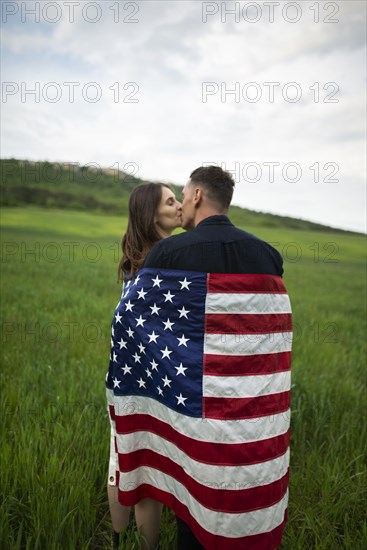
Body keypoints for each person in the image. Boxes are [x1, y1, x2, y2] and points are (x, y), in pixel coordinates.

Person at [107, 166, 292, 549]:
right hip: (249, 412)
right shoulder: (268, 256)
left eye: (181, 195)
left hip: (186, 401)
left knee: (183, 483)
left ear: (196, 197)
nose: (178, 205)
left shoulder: (168, 254)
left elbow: (127, 320)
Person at [106, 182, 182, 550]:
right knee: (145, 474)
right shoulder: (164, 260)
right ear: (153, 215)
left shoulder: (137, 258)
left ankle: (116, 540)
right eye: (171, 201)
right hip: (146, 385)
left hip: (122, 377)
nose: (180, 205)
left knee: (121, 461)